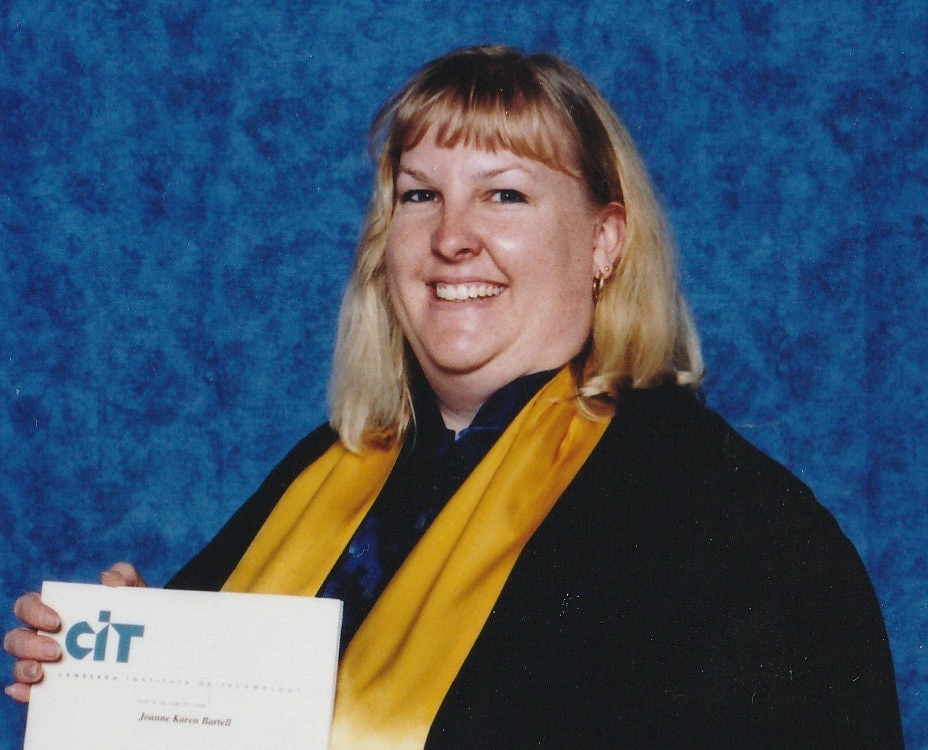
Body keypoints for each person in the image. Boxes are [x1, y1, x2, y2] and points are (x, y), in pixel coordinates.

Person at [4, 46, 903, 749]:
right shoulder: (331, 471)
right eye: (420, 195)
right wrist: (109, 656)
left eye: (505, 195)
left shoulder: (734, 527)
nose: (453, 238)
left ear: (605, 240)